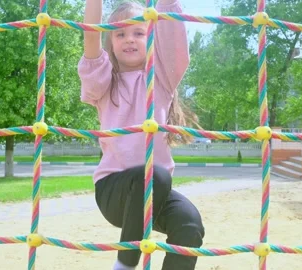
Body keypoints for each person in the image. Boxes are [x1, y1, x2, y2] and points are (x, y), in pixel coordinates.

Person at [78, 0, 205, 269]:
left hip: (155, 192)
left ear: (151, 38)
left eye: (139, 32)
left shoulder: (162, 78)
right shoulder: (103, 81)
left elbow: (173, 36)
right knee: (154, 173)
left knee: (189, 223)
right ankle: (125, 265)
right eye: (120, 33)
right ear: (110, 41)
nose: (129, 39)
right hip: (115, 191)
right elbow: (90, 35)